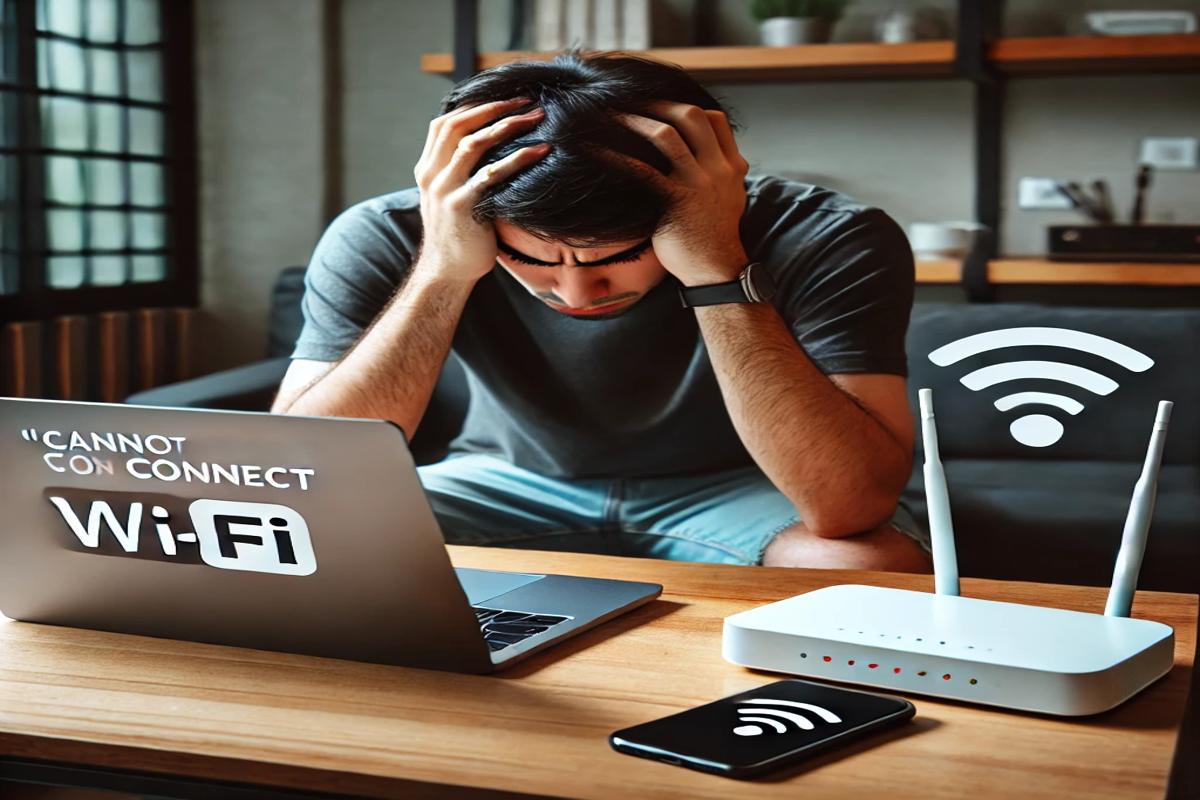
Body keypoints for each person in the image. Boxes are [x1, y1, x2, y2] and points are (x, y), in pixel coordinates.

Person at [272, 52, 930, 572]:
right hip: (506, 479)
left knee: (862, 566)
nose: (575, 297)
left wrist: (716, 270)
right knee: (299, 536)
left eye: (612, 257)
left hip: (742, 489)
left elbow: (850, 504)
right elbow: (303, 476)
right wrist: (443, 269)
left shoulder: (827, 233)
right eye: (532, 259)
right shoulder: (389, 232)